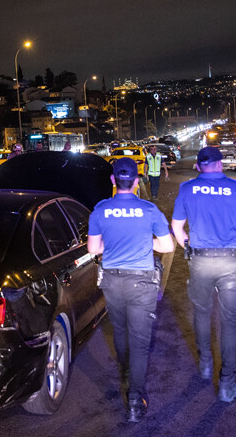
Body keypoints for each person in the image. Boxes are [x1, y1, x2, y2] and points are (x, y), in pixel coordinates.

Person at [170, 146, 236, 403]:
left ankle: (206, 365)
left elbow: (177, 227)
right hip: (231, 262)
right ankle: (226, 384)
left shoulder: (187, 189)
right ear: (221, 165)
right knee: (230, 323)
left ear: (198, 167)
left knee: (201, 313)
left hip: (200, 261)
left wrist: (187, 245)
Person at [87, 157, 175, 422]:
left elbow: (93, 250)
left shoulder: (100, 210)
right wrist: (143, 243)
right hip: (142, 284)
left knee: (120, 331)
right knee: (140, 342)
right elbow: (167, 246)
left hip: (113, 282)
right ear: (137, 181)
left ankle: (124, 373)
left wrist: (113, 245)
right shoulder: (149, 210)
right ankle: (135, 400)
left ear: (113, 181)